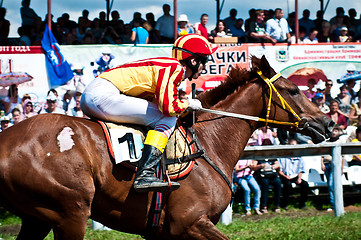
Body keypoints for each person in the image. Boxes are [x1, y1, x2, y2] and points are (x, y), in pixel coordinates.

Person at [80, 34, 217, 193]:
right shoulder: (174, 68)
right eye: (204, 61)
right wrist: (189, 103)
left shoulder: (168, 67)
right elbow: (168, 109)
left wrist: (183, 105)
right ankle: (145, 174)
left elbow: (158, 103)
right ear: (194, 61)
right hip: (102, 95)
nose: (204, 66)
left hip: (95, 95)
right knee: (167, 119)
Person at [278, 139, 309, 209]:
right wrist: (285, 176)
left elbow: (301, 169)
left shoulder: (299, 157)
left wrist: (299, 178)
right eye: (292, 146)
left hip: (295, 176)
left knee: (305, 184)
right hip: (284, 175)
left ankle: (302, 204)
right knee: (288, 185)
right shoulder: (283, 157)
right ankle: (284, 204)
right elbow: (279, 170)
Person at [321, 126, 346, 211]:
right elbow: (322, 155)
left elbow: (343, 157)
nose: (334, 132)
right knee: (329, 185)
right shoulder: (326, 142)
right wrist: (322, 164)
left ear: (339, 132)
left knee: (333, 185)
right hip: (326, 165)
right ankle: (333, 204)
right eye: (332, 131)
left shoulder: (340, 142)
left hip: (335, 166)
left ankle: (336, 205)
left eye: (336, 131)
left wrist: (341, 168)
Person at [253, 139, 282, 213]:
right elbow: (253, 167)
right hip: (262, 175)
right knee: (265, 184)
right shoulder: (259, 156)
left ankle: (277, 205)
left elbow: (277, 164)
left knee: (278, 183)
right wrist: (260, 166)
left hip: (272, 174)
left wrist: (274, 166)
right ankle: (264, 206)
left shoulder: (272, 155)